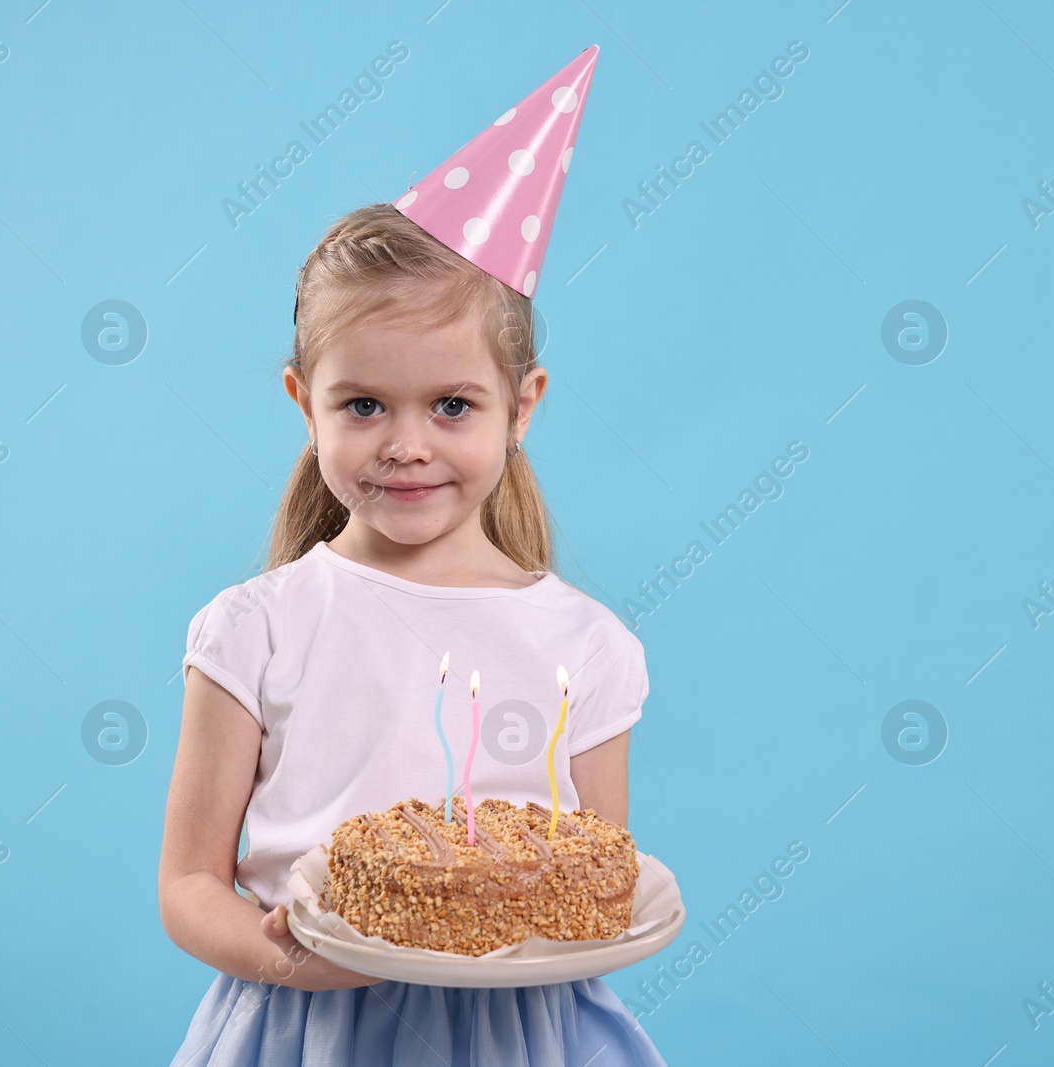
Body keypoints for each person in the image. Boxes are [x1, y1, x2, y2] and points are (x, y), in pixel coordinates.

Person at [158, 46, 667, 1065]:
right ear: (306, 403)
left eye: (451, 404)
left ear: (520, 407)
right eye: (362, 404)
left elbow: (596, 875)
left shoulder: (589, 644)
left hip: (520, 1033)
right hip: (306, 1025)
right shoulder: (253, 628)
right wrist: (295, 961)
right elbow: (187, 886)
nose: (405, 443)